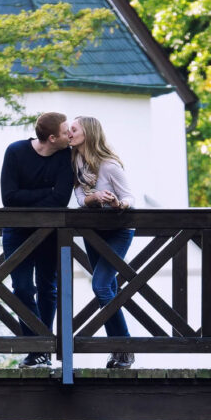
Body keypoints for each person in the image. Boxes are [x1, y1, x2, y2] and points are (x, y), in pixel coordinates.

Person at [0, 112, 74, 368]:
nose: (71, 135)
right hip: (17, 232)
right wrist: (46, 192)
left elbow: (61, 200)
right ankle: (39, 344)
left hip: (51, 232)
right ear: (52, 138)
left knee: (48, 287)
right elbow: (9, 198)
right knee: (21, 288)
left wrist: (30, 197)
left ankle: (39, 351)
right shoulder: (16, 152)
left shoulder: (67, 156)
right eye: (66, 132)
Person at [68, 116, 136, 369]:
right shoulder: (75, 161)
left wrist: (119, 204)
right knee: (108, 288)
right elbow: (78, 198)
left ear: (88, 133)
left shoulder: (109, 166)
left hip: (118, 231)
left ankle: (124, 348)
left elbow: (130, 197)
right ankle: (119, 350)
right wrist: (93, 197)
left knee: (101, 286)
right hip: (93, 232)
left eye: (74, 130)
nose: (69, 133)